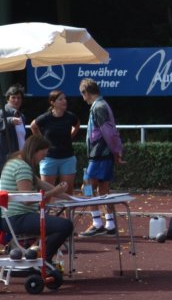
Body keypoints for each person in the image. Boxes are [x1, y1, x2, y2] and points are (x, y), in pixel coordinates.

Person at [0, 134, 74, 264]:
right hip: (18, 218)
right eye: (43, 154)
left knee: (61, 225)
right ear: (34, 151)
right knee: (65, 226)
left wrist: (70, 197)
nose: (43, 158)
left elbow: (41, 184)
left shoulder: (16, 162)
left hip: (12, 217)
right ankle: (44, 260)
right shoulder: (22, 167)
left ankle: (40, 258)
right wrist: (54, 192)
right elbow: (26, 199)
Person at [78, 79, 124, 237]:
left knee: (86, 187)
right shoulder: (102, 105)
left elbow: (109, 132)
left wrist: (116, 150)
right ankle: (110, 224)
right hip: (104, 154)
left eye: (82, 94)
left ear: (86, 93)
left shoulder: (98, 107)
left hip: (99, 155)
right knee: (103, 190)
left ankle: (97, 223)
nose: (83, 98)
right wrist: (116, 151)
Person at [30, 90, 81, 197]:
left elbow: (77, 125)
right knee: (47, 193)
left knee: (68, 192)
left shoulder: (70, 117)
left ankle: (67, 209)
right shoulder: (46, 117)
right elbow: (33, 126)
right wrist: (41, 141)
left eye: (65, 98)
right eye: (60, 99)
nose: (64, 101)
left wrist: (71, 135)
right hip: (49, 158)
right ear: (52, 102)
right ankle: (46, 209)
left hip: (67, 158)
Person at [0, 84, 27, 163]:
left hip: (21, 157)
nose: (16, 100)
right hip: (6, 159)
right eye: (13, 97)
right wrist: (10, 120)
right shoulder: (2, 113)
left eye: (19, 98)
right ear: (7, 99)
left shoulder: (21, 116)